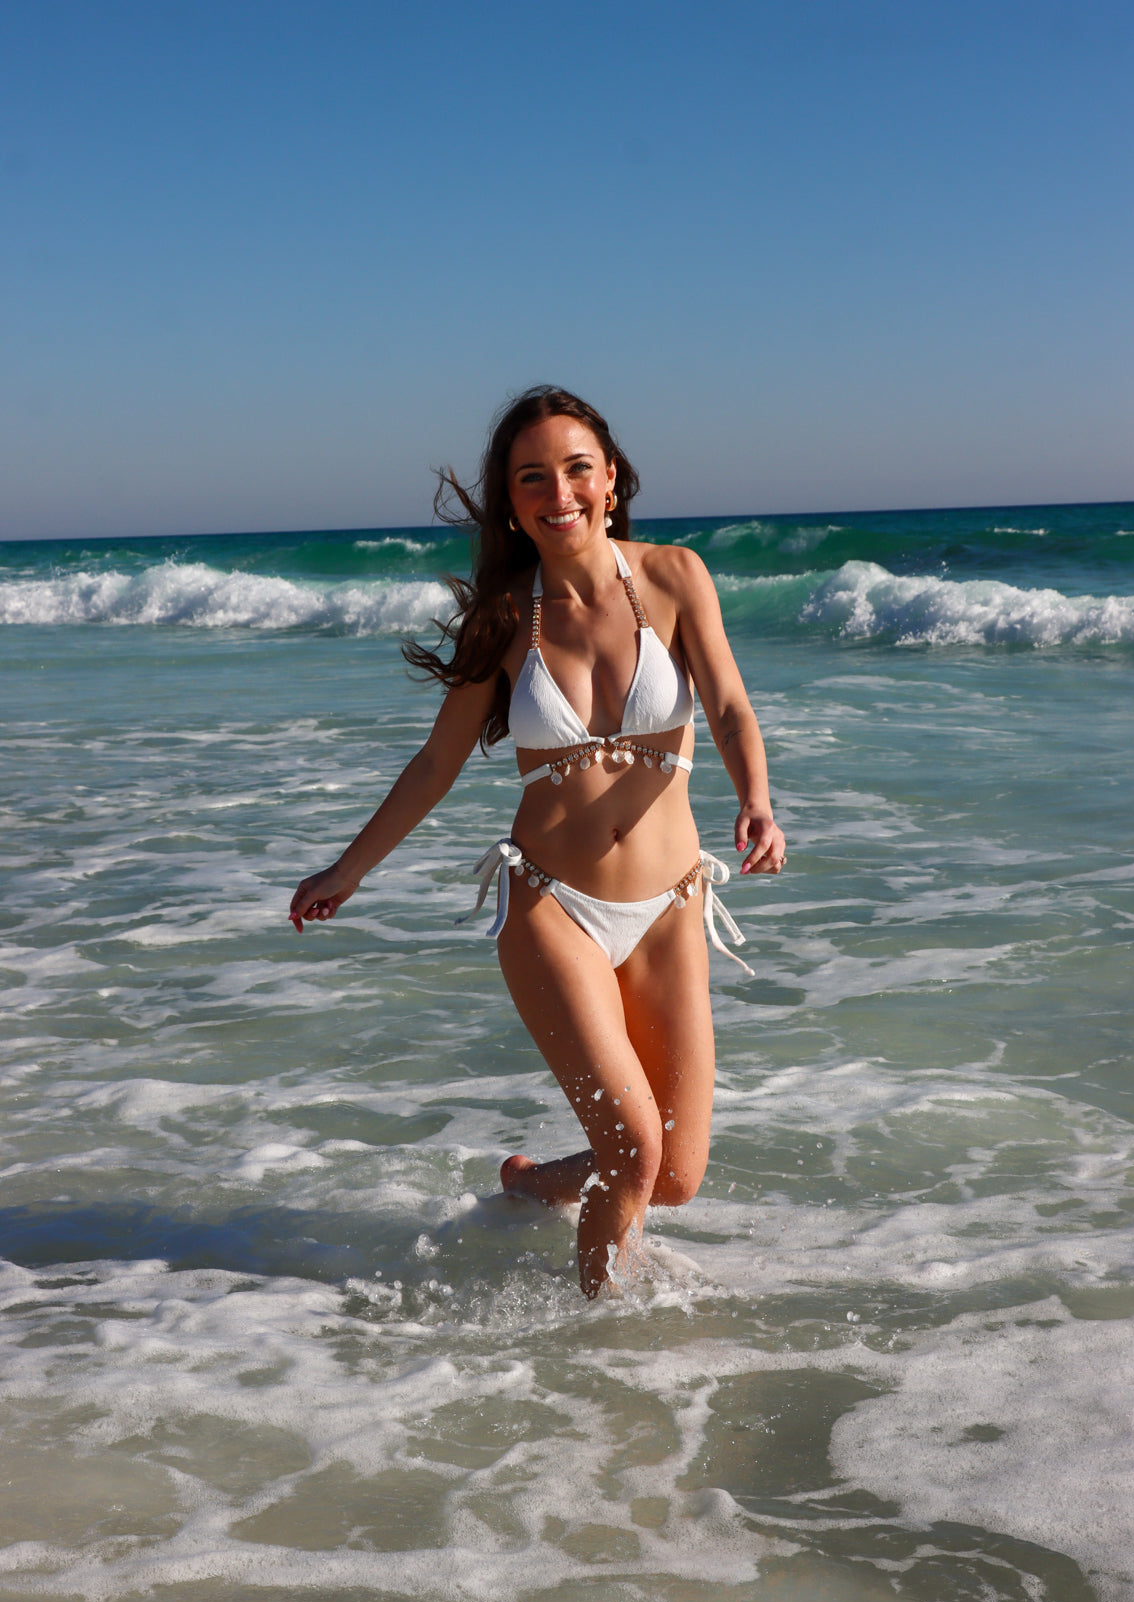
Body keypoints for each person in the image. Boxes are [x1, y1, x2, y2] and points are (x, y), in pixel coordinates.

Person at [289, 386, 786, 1298]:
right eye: (531, 478)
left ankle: (534, 1182)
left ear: (609, 480)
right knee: (636, 1152)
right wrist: (347, 870)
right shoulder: (505, 618)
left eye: (575, 468)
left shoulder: (676, 576)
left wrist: (756, 797)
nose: (557, 491)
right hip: (554, 903)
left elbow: (728, 705)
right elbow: (437, 763)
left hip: (673, 903)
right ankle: (599, 1351)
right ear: (510, 503)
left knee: (673, 1176)